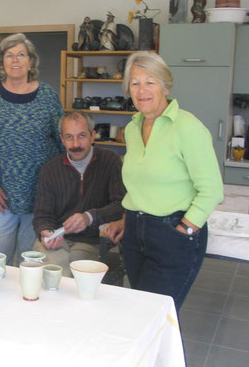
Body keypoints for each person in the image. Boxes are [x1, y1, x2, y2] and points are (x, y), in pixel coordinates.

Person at [104, 52, 223, 311]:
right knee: (142, 312)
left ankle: (165, 353)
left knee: (157, 316)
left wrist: (185, 231)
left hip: (174, 230)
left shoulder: (188, 127)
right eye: (135, 83)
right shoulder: (133, 129)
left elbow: (212, 190)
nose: (142, 90)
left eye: (150, 81)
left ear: (165, 86)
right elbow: (139, 187)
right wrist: (127, 220)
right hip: (135, 233)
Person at [0, 33, 63, 265]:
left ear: (31, 61)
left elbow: (62, 143)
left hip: (39, 197)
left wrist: (56, 190)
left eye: (21, 54)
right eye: (9, 55)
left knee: (29, 265)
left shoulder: (48, 96)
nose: (15, 60)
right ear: (1, 61)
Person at [32, 111, 126, 277]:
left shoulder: (110, 161)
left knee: (74, 276)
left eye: (82, 136)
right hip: (58, 239)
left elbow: (120, 206)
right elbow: (42, 215)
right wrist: (46, 231)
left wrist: (88, 217)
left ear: (93, 135)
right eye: (69, 137)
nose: (76, 144)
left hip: (91, 241)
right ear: (61, 139)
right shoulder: (50, 170)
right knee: (43, 273)